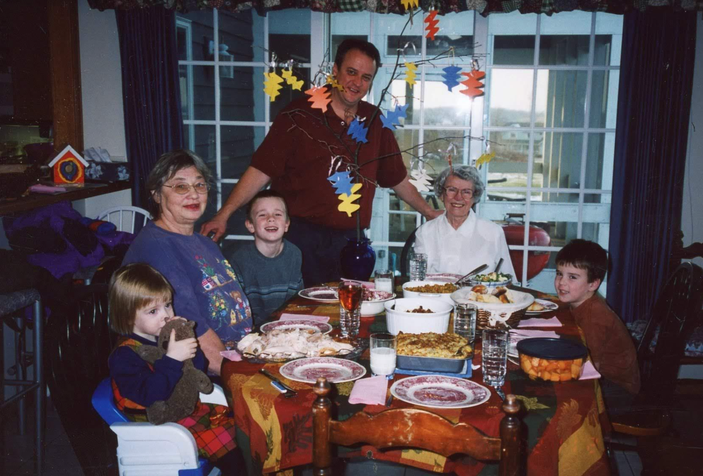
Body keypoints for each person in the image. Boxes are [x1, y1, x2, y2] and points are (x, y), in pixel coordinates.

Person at [201, 39, 442, 286]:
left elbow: (396, 177)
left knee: (349, 310)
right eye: (351, 72)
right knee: (304, 312)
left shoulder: (374, 120)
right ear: (335, 71)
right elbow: (261, 170)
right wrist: (224, 214)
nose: (357, 83)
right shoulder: (299, 114)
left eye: (366, 77)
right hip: (301, 239)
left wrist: (428, 211)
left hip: (352, 241)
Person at [123, 150, 253, 376]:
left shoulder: (204, 242)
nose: (194, 194)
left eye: (200, 185)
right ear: (156, 194)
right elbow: (190, 327)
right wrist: (236, 376)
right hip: (197, 372)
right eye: (181, 187)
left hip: (239, 354)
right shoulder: (158, 248)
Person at [107, 263, 242, 470]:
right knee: (233, 451)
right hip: (160, 425)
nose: (166, 316)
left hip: (185, 411)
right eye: (153, 311)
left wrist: (185, 342)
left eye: (168, 305)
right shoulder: (125, 355)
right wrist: (172, 359)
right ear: (128, 317)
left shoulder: (161, 337)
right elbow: (151, 394)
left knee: (243, 425)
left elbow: (197, 368)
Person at [554, 239, 640, 406]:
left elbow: (590, 367)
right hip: (601, 375)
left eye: (572, 277)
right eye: (559, 273)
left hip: (617, 389)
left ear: (593, 284)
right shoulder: (580, 301)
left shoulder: (595, 316)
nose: (561, 282)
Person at [413, 165, 516, 279]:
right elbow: (418, 281)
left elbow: (508, 279)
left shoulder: (493, 232)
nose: (458, 197)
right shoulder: (425, 232)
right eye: (452, 190)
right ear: (442, 195)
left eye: (466, 192)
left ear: (474, 197)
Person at [228, 190, 303, 325]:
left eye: (278, 214)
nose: (271, 218)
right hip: (252, 330)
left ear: (286, 224)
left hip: (286, 327)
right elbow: (236, 309)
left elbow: (297, 302)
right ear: (250, 225)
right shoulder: (239, 259)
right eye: (262, 214)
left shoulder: (294, 254)